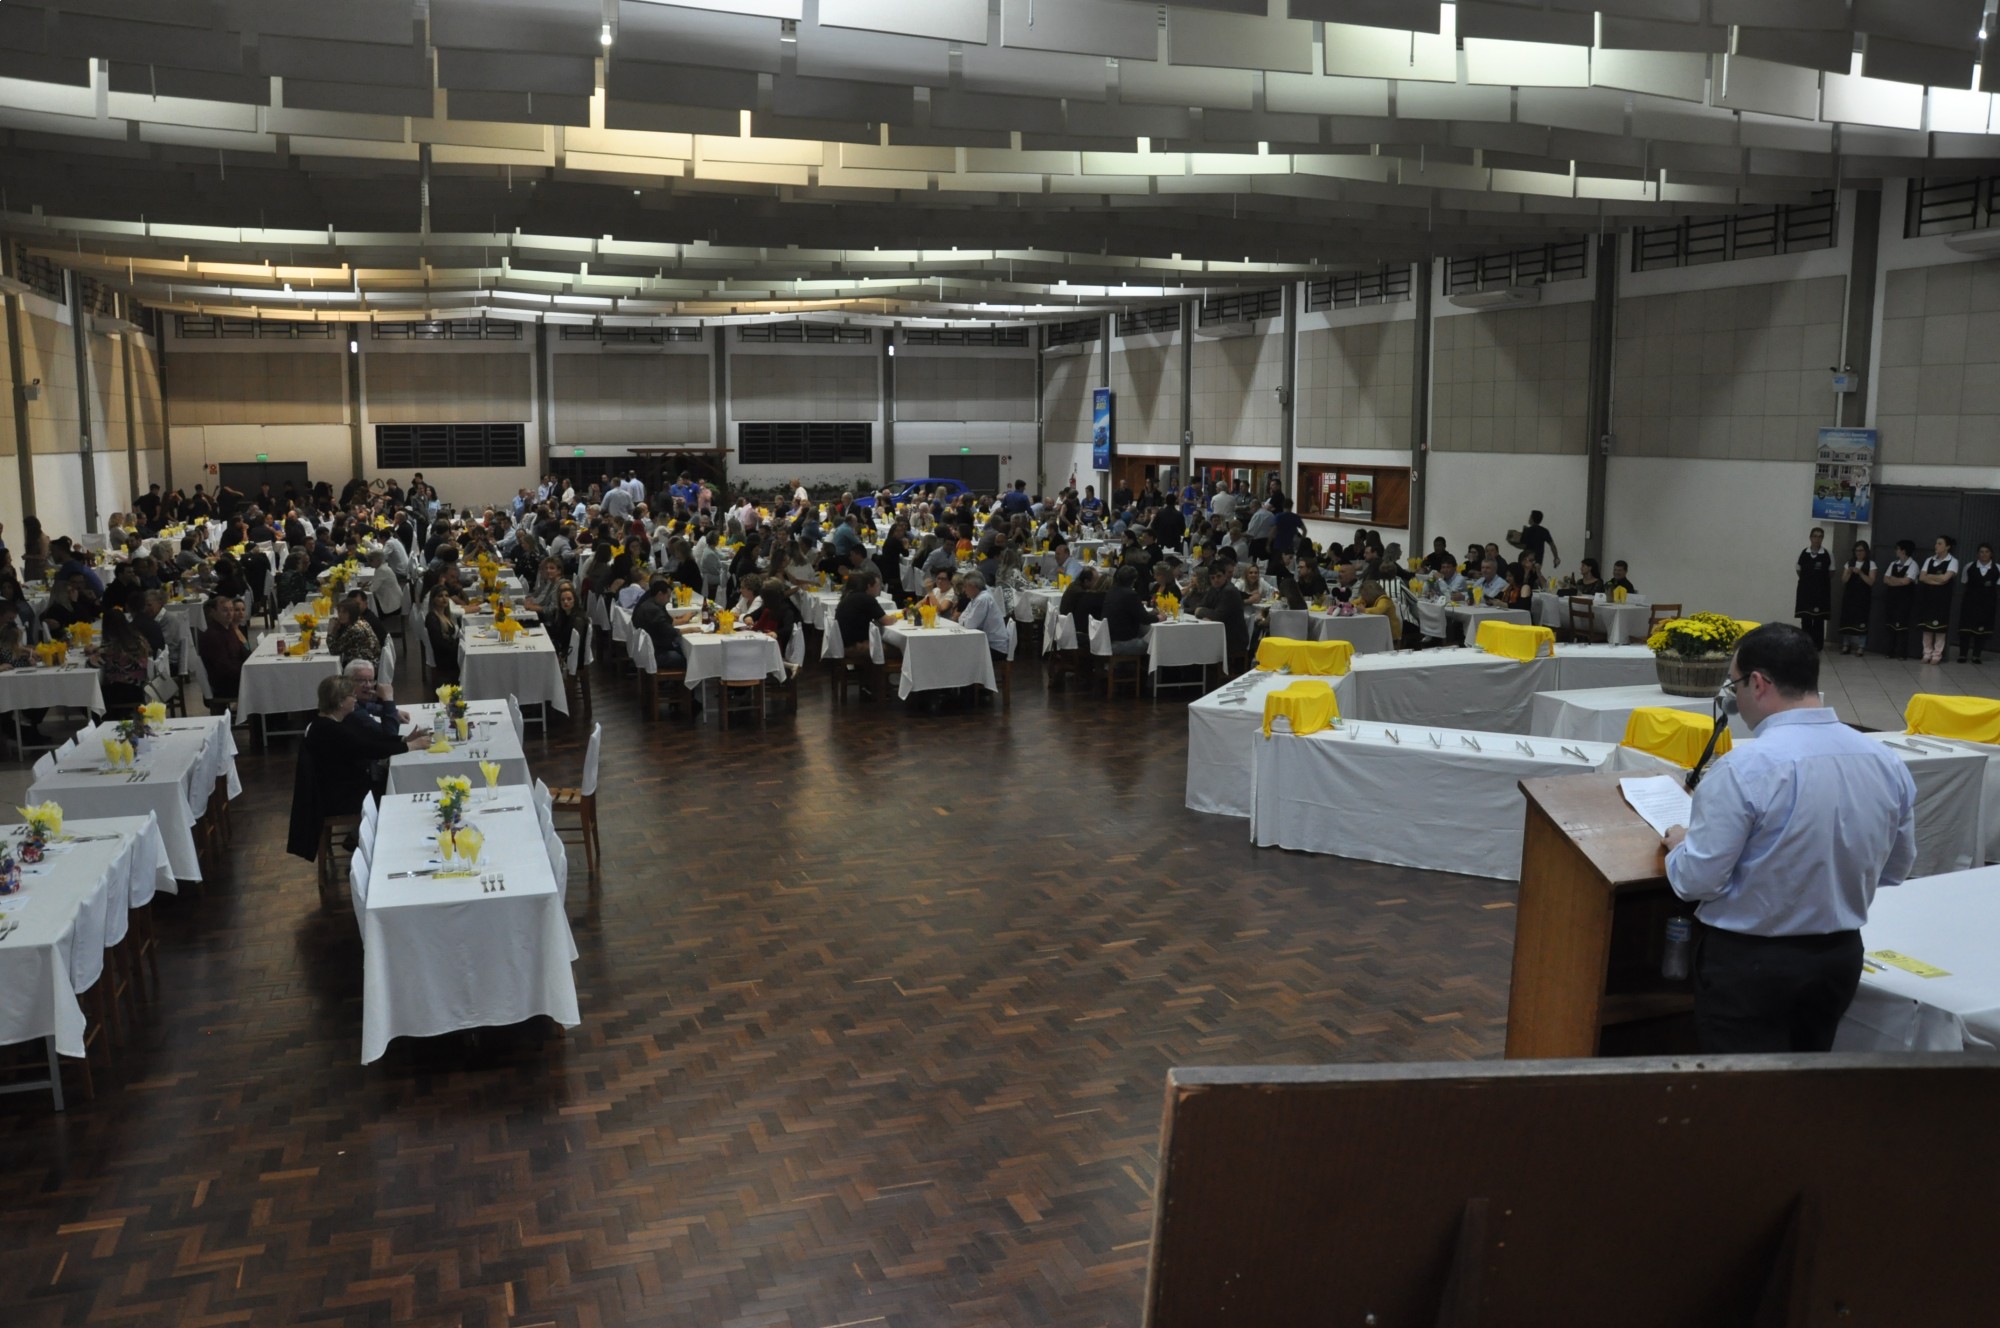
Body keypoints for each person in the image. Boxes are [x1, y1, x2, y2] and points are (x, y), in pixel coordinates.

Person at [1663, 624, 1917, 1053]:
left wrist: (1680, 847)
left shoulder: (1745, 767)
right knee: (1807, 1081)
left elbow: (1697, 881)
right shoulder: (1885, 760)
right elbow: (1896, 869)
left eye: (1734, 685)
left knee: (1743, 1085)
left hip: (1751, 962)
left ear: (1758, 683)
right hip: (1838, 956)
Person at [285, 675, 429, 863]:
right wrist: (411, 746)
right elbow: (369, 749)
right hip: (336, 797)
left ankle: (362, 838)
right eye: (352, 695)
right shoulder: (330, 730)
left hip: (339, 786)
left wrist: (404, 740)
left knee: (387, 780)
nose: (355, 699)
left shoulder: (334, 721)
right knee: (393, 790)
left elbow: (370, 740)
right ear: (339, 701)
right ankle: (378, 845)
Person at [96, 607, 154, 710]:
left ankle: (107, 718)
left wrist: (94, 652)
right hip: (141, 686)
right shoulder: (136, 637)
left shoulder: (113, 647)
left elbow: (94, 662)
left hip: (128, 690)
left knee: (90, 697)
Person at [197, 597, 250, 708]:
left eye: (231, 609)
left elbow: (242, 650)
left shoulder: (228, 628)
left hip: (236, 676)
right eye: (225, 610)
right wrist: (247, 671)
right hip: (225, 684)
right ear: (213, 612)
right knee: (265, 684)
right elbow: (224, 668)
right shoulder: (212, 635)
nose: (230, 614)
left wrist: (253, 661)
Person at [1915, 536, 1959, 665]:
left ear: (1947, 546)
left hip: (1942, 599)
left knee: (1940, 629)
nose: (1936, 546)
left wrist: (1930, 577)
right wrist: (1937, 580)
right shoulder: (1929, 560)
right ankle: (1926, 653)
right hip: (1927, 597)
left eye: (1939, 543)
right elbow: (1922, 577)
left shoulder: (1953, 561)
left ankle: (1937, 655)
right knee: (1926, 627)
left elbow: (1945, 578)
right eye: (1936, 543)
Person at [629, 578, 689, 671]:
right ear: (660, 594)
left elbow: (666, 622)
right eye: (668, 596)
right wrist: (690, 630)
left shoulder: (650, 603)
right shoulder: (653, 610)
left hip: (651, 647)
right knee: (686, 658)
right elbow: (669, 631)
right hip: (655, 653)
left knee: (680, 648)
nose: (668, 600)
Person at [1195, 562, 1247, 667]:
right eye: (1212, 578)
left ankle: (1201, 671)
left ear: (1225, 576)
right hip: (1220, 633)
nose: (1216, 580)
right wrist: (1202, 611)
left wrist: (1201, 611)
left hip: (1233, 638)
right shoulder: (1213, 589)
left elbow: (1218, 616)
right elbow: (1200, 605)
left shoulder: (1229, 591)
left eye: (1218, 576)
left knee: (1196, 644)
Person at [1099, 564, 1156, 656]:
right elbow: (1145, 619)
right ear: (1134, 580)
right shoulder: (1130, 594)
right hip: (1119, 643)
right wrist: (1159, 617)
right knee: (1154, 644)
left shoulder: (1112, 591)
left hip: (1108, 640)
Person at [1794, 527, 1832, 650]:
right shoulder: (1803, 553)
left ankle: (1817, 646)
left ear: (1822, 538)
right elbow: (1798, 570)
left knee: (1818, 620)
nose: (1817, 539)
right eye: (1815, 536)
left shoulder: (1827, 554)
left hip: (1821, 592)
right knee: (1805, 619)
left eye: (1820, 536)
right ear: (1810, 538)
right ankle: (1806, 645)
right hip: (1805, 591)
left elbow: (1832, 572)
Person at [1959, 544, 1998, 664]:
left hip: (1987, 604)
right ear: (1977, 554)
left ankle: (1976, 655)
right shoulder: (1969, 566)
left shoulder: (1997, 568)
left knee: (1982, 630)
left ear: (1991, 554)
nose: (1984, 554)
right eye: (1981, 552)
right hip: (1970, 602)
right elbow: (1964, 581)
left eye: (1987, 552)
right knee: (1966, 629)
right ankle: (1962, 654)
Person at [1837, 541, 1877, 658]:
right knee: (1847, 619)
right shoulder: (1849, 563)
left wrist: (1860, 573)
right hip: (1850, 595)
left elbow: (1871, 582)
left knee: (1862, 620)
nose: (1858, 553)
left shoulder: (1871, 564)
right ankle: (1846, 644)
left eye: (1861, 550)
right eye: (1856, 551)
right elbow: (1844, 580)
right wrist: (1849, 572)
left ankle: (1861, 646)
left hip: (1863, 596)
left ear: (1866, 551)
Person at [1881, 540, 1918, 660]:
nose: (1895, 551)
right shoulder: (1893, 564)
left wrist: (1894, 580)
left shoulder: (1913, 565)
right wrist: (1898, 581)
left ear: (1903, 551)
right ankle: (1889, 651)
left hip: (1905, 600)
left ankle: (1902, 653)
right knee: (1890, 626)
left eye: (1897, 548)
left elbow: (1906, 581)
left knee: (1902, 627)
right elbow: (1885, 579)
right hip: (1892, 599)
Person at [423, 587, 462, 684]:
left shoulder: (444, 615)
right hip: (445, 659)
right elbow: (439, 643)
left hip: (450, 652)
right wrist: (458, 646)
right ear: (433, 599)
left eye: (446, 596)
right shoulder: (432, 618)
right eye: (440, 596)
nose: (444, 599)